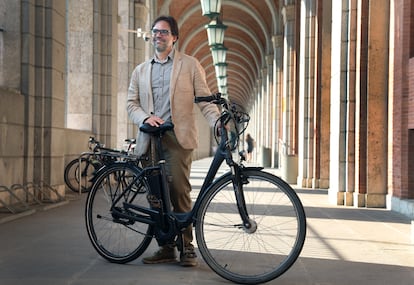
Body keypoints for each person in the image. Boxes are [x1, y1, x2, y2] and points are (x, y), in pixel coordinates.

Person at [126, 15, 220, 267]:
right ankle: (165, 247)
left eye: (164, 32)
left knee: (179, 191)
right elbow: (131, 103)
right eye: (155, 31)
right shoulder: (140, 70)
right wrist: (145, 117)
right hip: (150, 139)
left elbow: (205, 100)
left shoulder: (190, 65)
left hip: (177, 138)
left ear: (174, 37)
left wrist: (218, 123)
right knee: (156, 195)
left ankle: (187, 247)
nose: (158, 35)